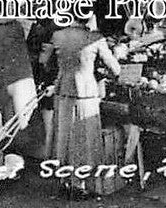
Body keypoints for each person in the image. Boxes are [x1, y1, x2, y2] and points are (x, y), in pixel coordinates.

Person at [40, 11, 122, 194]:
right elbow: (115, 69)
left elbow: (45, 62)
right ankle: (80, 184)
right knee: (84, 137)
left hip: (63, 91)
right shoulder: (95, 38)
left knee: (64, 136)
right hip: (86, 93)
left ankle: (65, 179)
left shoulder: (58, 35)